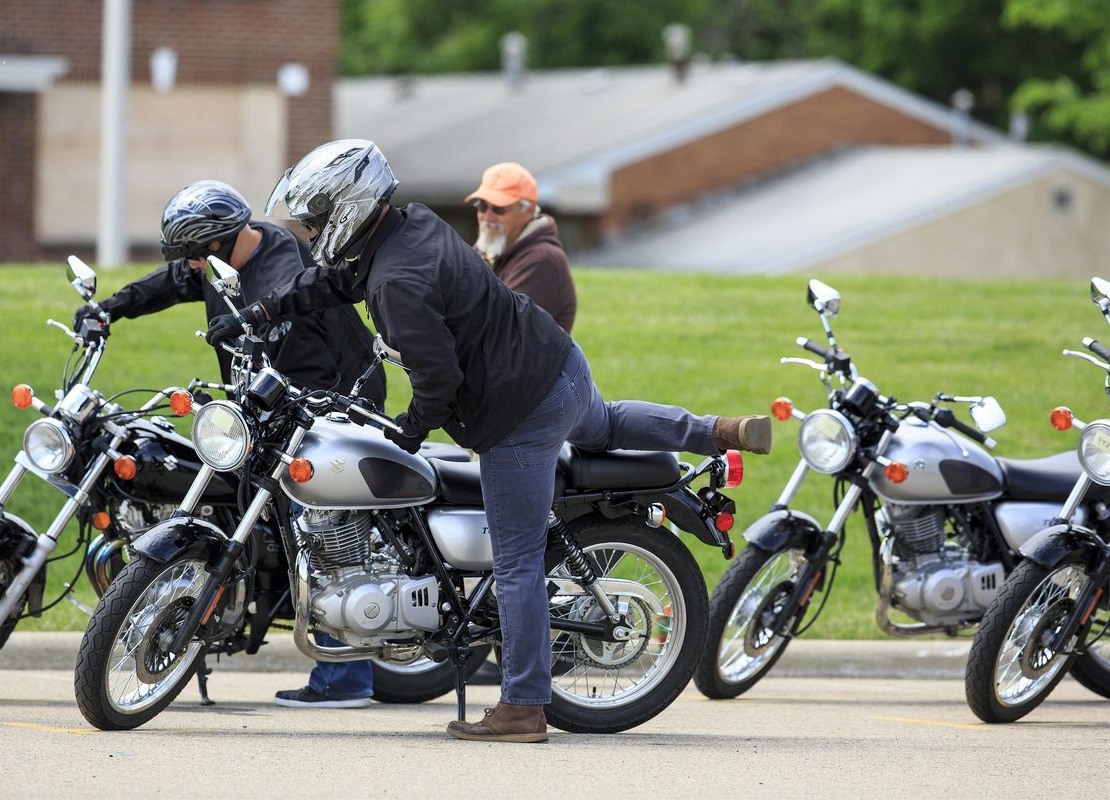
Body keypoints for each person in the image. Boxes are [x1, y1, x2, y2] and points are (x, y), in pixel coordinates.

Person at [206, 140, 771, 743]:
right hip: (559, 366)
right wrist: (262, 313)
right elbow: (334, 281)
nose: (312, 229)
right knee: (602, 424)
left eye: (318, 218)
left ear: (349, 208)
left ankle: (524, 707)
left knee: (518, 562)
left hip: (517, 415)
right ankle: (714, 431)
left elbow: (439, 379)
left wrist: (408, 429)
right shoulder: (410, 225)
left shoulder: (397, 281)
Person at [74, 179, 384, 710]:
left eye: (194, 255)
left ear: (219, 243)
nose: (189, 267)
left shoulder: (284, 271)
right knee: (247, 507)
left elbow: (309, 364)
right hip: (269, 406)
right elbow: (169, 283)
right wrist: (110, 308)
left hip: (333, 401)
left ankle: (346, 679)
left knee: (314, 527)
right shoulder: (218, 262)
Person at [466, 162, 577, 333]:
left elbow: (497, 329)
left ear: (528, 210)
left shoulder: (542, 260)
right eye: (482, 206)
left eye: (499, 209)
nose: (488, 217)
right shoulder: (488, 250)